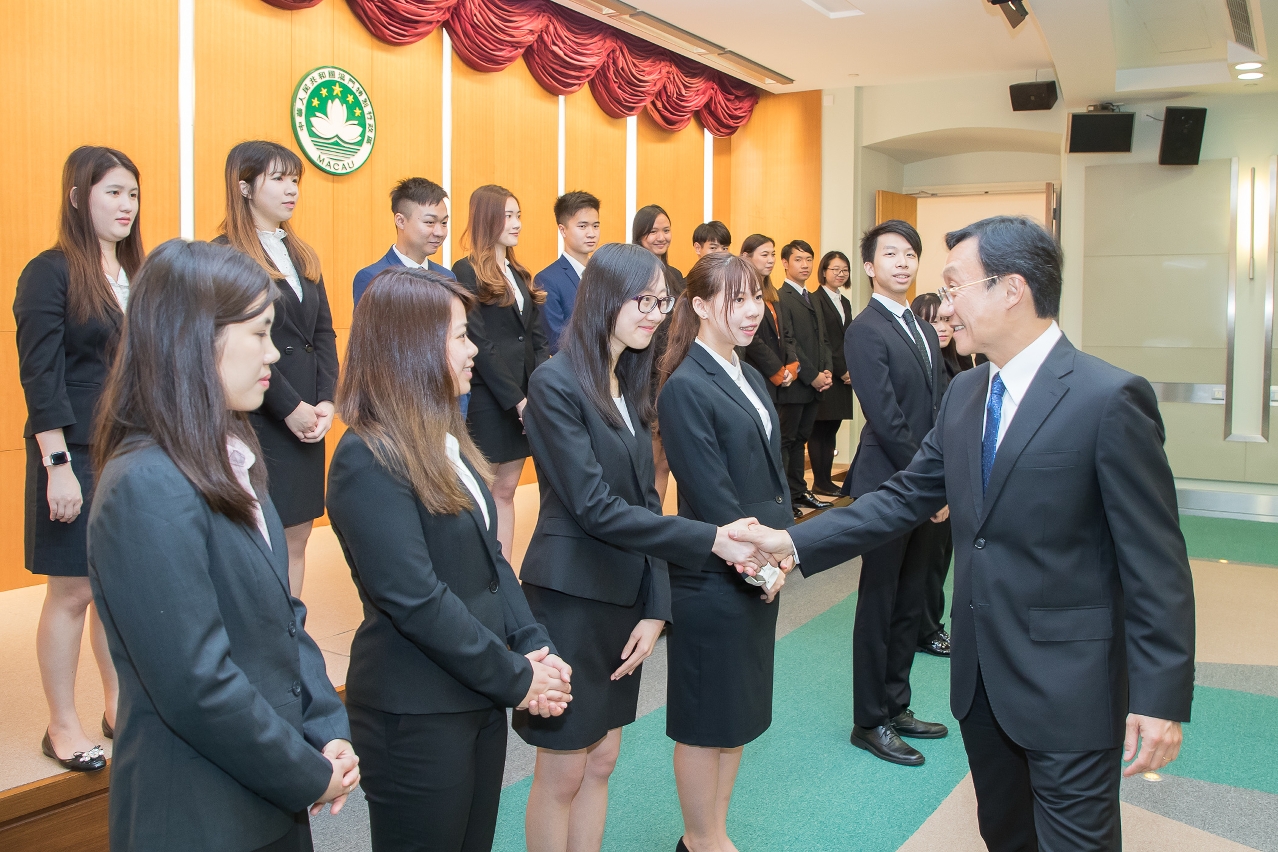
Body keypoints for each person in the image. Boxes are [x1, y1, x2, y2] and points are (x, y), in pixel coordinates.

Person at [732, 216, 1196, 852]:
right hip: (982, 685)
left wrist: (1160, 695)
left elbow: (1157, 563)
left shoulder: (1108, 398)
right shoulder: (967, 393)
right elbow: (903, 496)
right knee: (1004, 835)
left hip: (1071, 685)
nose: (944, 306)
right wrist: (793, 541)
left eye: (955, 288)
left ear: (1012, 289)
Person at [88, 239, 357, 852]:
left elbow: (283, 617)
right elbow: (197, 685)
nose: (274, 353)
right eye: (259, 333)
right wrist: (306, 772)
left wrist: (325, 727)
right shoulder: (146, 483)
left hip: (268, 792)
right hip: (201, 814)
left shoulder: (231, 457)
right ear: (194, 339)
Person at [515, 244, 761, 852]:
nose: (655, 315)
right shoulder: (554, 382)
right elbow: (594, 506)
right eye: (644, 301)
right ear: (605, 299)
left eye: (662, 302)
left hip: (624, 597)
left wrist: (656, 606)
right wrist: (710, 539)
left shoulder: (626, 381)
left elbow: (648, 500)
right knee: (563, 771)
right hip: (571, 598)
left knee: (602, 761)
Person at [326, 267, 570, 852]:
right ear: (413, 347)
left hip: (477, 692)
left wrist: (534, 643)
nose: (473, 349)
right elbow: (416, 600)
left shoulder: (445, 436)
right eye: (461, 336)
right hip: (416, 712)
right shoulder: (368, 456)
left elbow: (491, 562)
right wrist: (517, 677)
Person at [657, 252, 792, 852]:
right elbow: (715, 499)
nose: (752, 310)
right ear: (701, 306)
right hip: (714, 579)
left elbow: (774, 477)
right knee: (704, 722)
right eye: (737, 299)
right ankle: (701, 838)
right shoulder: (686, 386)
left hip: (759, 569)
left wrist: (784, 553)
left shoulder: (750, 375)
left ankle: (714, 835)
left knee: (736, 716)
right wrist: (762, 568)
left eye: (757, 296)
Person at [14, 145, 138, 771]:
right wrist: (57, 464)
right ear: (77, 196)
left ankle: (118, 708)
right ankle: (61, 726)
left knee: (116, 586)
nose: (126, 204)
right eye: (112, 191)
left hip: (130, 448)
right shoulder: (50, 271)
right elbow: (40, 375)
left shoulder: (137, 271)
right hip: (73, 451)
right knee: (72, 592)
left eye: (132, 193)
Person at [830, 220, 951, 766]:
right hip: (887, 485)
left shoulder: (923, 327)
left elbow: (939, 408)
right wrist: (929, 481)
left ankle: (897, 705)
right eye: (891, 255)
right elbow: (885, 416)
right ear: (870, 267)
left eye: (910, 254)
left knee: (910, 600)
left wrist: (940, 480)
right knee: (879, 603)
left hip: (923, 484)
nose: (903, 263)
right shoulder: (864, 329)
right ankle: (869, 719)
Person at [217, 140, 338, 598]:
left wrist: (326, 401)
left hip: (308, 416)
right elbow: (236, 347)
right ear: (245, 187)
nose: (292, 190)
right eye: (279, 179)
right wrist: (290, 407)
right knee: (257, 537)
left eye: (295, 180)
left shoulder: (301, 252)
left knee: (297, 535)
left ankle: (292, 627)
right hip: (258, 417)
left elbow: (322, 333)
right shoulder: (226, 253)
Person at [453, 184, 550, 559]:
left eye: (518, 215)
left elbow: (537, 339)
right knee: (480, 493)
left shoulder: (519, 272)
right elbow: (481, 343)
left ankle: (504, 571)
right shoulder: (466, 270)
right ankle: (482, 569)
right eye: (508, 216)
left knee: (507, 492)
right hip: (490, 399)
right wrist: (519, 402)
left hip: (524, 398)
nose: (517, 223)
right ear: (487, 219)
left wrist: (536, 396)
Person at [910, 291, 978, 657]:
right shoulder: (924, 369)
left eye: (947, 320)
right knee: (928, 560)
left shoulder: (962, 365)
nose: (943, 327)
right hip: (932, 479)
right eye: (933, 321)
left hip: (959, 477)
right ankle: (927, 628)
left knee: (943, 557)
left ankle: (931, 623)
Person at [776, 239, 833, 517]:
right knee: (786, 441)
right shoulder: (781, 297)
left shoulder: (812, 297)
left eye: (809, 259)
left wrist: (827, 370)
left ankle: (799, 491)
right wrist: (812, 376)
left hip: (815, 384)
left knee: (801, 440)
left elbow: (823, 339)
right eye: (798, 259)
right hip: (796, 384)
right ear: (785, 263)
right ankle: (785, 496)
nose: (805, 265)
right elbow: (790, 343)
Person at [633, 204, 684, 505]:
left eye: (666, 230)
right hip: (642, 376)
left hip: (671, 376)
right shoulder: (632, 274)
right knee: (647, 461)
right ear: (640, 235)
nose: (661, 237)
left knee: (665, 461)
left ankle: (657, 522)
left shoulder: (676, 276)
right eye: (653, 231)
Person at [808, 250, 854, 497]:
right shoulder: (815, 299)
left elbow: (847, 339)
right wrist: (841, 370)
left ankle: (826, 481)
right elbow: (823, 340)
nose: (840, 273)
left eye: (844, 270)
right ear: (824, 271)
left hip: (844, 375)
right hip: (827, 373)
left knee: (832, 428)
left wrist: (851, 370)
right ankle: (820, 481)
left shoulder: (844, 301)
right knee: (820, 429)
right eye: (835, 269)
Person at [738, 234, 799, 404]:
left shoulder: (774, 294)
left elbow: (786, 333)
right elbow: (751, 338)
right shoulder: (740, 293)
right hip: (756, 373)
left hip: (781, 378)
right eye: (765, 255)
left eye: (773, 254)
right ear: (746, 256)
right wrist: (777, 370)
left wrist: (792, 365)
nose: (771, 260)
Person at [537, 190, 600, 355]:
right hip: (574, 365)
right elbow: (556, 340)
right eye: (582, 226)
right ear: (563, 230)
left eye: (595, 226)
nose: (591, 233)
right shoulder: (547, 280)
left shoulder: (605, 274)